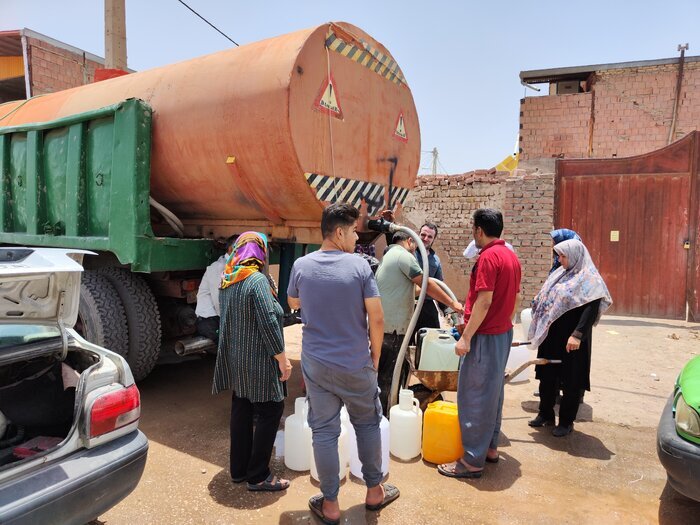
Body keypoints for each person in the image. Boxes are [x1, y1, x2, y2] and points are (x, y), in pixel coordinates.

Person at [287, 202, 399, 525]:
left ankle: (331, 504)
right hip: (354, 363)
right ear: (338, 232)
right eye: (352, 231)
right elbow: (376, 318)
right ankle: (375, 491)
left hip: (317, 366)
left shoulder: (301, 266)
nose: (355, 237)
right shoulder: (360, 268)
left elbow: (294, 302)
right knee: (366, 423)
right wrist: (375, 356)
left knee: (323, 431)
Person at [438, 208, 521, 479]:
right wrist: (502, 323)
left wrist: (466, 337)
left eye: (472, 229)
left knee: (474, 397)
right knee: (493, 393)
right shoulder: (510, 256)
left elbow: (484, 300)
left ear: (479, 231)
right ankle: (490, 449)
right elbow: (514, 299)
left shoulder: (488, 257)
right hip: (501, 333)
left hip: (484, 336)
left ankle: (472, 461)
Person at [212, 232, 292, 491]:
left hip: (237, 358)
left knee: (242, 407)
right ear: (260, 253)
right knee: (271, 409)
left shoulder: (228, 279)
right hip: (258, 359)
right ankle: (258, 475)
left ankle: (239, 470)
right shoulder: (256, 280)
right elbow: (269, 320)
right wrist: (282, 358)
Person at [527, 239, 612, 437]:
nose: (560, 259)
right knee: (547, 376)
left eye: (563, 256)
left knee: (571, 380)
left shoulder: (590, 279)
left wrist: (577, 334)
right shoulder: (559, 274)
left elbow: (591, 309)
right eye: (559, 255)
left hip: (572, 340)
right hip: (552, 335)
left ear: (575, 256)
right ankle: (545, 414)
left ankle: (566, 421)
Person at [376, 230, 463, 415]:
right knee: (388, 378)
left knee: (390, 376)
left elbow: (414, 290)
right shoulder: (403, 256)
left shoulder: (389, 256)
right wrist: (453, 303)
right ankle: (384, 419)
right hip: (393, 331)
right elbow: (426, 285)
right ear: (410, 241)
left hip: (387, 328)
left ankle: (388, 414)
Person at [195, 236, 235, 344]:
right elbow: (219, 302)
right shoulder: (218, 267)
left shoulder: (233, 266)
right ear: (231, 249)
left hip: (220, 318)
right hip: (210, 321)